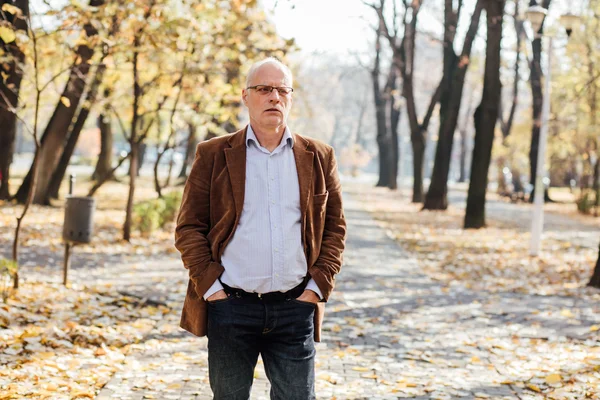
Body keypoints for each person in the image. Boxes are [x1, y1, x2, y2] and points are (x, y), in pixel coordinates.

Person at [174, 57, 347, 400]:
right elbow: (189, 227)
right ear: (245, 96)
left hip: (295, 307)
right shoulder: (213, 154)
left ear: (291, 98)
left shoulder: (318, 156)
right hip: (231, 307)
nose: (274, 97)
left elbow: (335, 228)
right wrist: (211, 288)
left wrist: (315, 287)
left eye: (282, 90)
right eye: (264, 89)